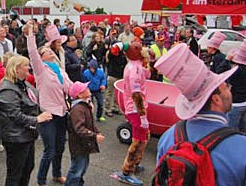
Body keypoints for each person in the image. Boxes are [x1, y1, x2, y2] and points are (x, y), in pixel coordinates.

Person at [155, 43, 246, 186]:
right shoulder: (241, 147)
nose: (230, 88)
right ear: (216, 99)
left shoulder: (168, 137)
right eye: (226, 86)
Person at [27, 22, 72, 186]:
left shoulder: (59, 70)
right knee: (49, 150)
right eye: (46, 51)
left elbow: (70, 87)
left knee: (60, 148)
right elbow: (32, 52)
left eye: (50, 50)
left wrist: (84, 97)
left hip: (62, 113)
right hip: (48, 115)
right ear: (41, 57)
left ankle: (57, 174)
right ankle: (40, 180)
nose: (50, 51)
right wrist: (31, 32)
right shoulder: (41, 70)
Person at [0, 55, 52, 186]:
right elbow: (15, 115)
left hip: (26, 135)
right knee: (15, 174)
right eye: (26, 65)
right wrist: (37, 119)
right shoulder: (7, 89)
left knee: (27, 168)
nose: (29, 67)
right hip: (16, 138)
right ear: (16, 69)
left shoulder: (23, 84)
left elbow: (32, 103)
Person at [111, 42, 150, 186]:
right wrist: (142, 115)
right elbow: (136, 94)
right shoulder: (134, 69)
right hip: (136, 109)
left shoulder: (137, 65)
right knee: (138, 140)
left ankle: (135, 163)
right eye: (140, 49)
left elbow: (148, 74)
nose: (145, 50)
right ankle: (127, 172)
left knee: (144, 137)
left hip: (139, 108)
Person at [65, 81, 105, 186]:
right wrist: (94, 136)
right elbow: (79, 129)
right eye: (85, 89)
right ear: (79, 94)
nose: (88, 89)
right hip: (79, 145)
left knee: (82, 168)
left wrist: (96, 132)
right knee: (77, 170)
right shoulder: (78, 109)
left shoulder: (84, 105)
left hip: (83, 145)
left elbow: (89, 123)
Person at [227, 41, 246, 132]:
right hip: (244, 102)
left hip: (236, 103)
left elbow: (220, 73)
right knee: (243, 129)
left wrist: (227, 60)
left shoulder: (236, 70)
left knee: (232, 130)